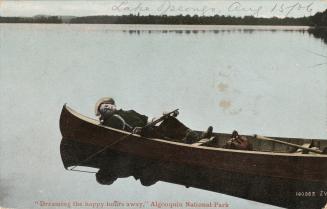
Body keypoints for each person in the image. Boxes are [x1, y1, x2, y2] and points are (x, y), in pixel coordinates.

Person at [95, 97, 213, 144]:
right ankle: (188, 141)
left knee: (169, 121)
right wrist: (134, 131)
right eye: (104, 109)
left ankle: (197, 137)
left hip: (148, 129)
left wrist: (164, 116)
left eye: (107, 105)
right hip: (140, 138)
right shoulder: (112, 121)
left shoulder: (129, 112)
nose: (108, 108)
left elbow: (148, 119)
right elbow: (119, 133)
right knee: (157, 134)